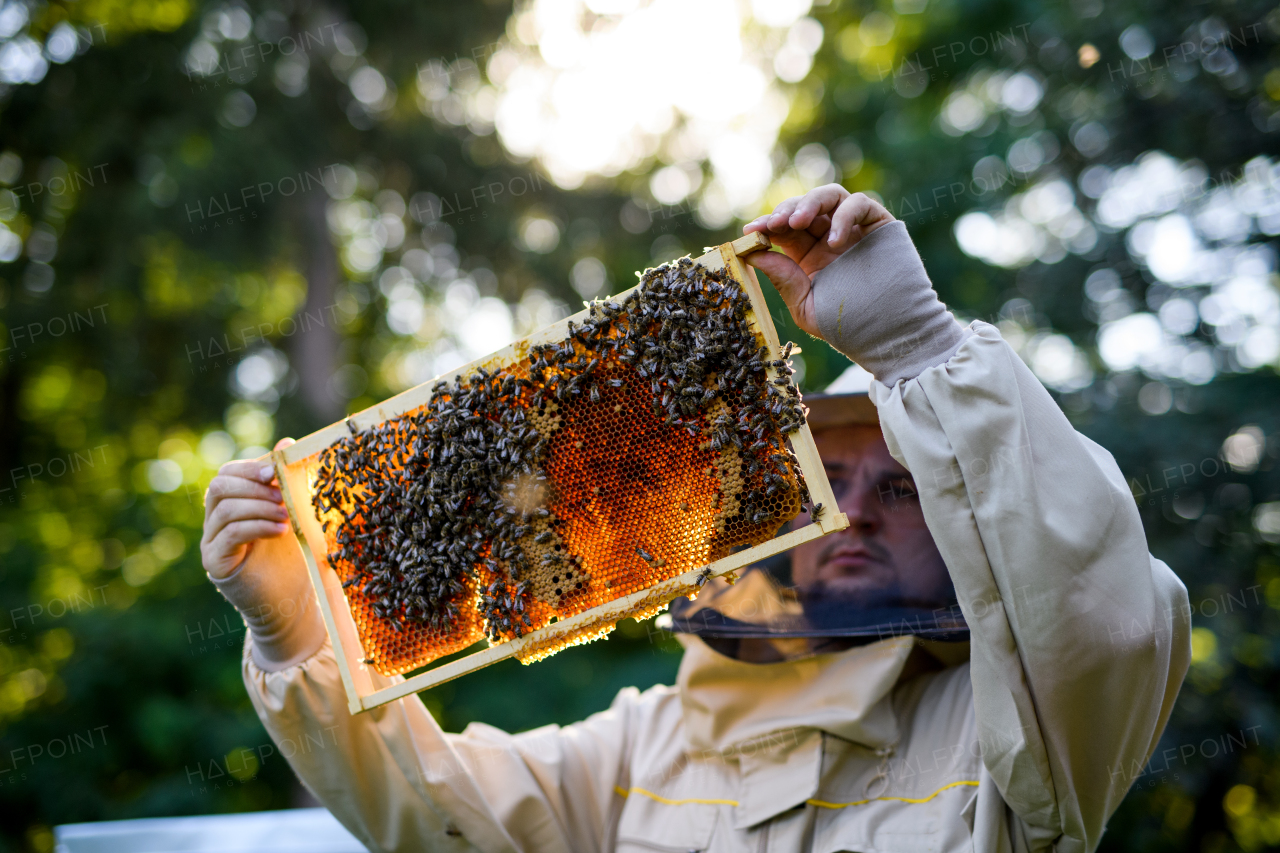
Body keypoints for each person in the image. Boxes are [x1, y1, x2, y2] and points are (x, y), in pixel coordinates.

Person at [201, 184, 1191, 853]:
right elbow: (440, 815)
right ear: (770, 509)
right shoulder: (645, 745)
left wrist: (920, 351)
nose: (853, 510)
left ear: (951, 514)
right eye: (828, 481)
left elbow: (1097, 618)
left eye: (898, 488)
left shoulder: (1007, 725)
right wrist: (301, 632)